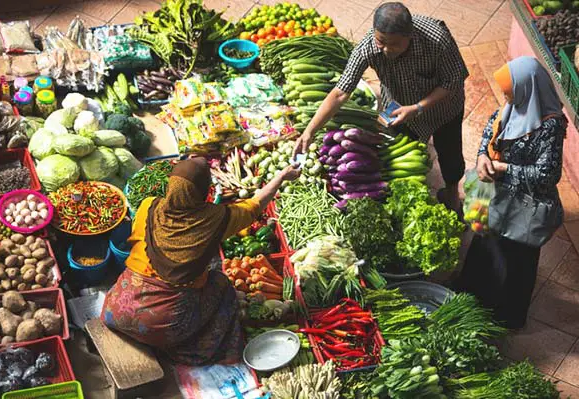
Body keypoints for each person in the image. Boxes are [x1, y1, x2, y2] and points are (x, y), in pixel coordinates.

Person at [101, 157, 300, 365]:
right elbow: (254, 206)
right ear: (204, 192)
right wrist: (281, 177)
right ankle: (199, 351)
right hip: (163, 327)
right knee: (220, 283)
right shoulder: (215, 219)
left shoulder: (147, 206)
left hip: (115, 311)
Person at [293, 2, 469, 211]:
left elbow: (453, 80)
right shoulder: (368, 47)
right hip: (397, 105)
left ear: (409, 35)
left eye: (393, 44)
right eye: (380, 41)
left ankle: (452, 195)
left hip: (443, 107)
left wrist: (417, 108)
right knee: (399, 148)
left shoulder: (436, 37)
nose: (385, 49)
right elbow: (340, 92)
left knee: (451, 158)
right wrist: (309, 132)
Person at [456, 56, 566, 329]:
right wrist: (483, 156)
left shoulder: (550, 126)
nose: (504, 96)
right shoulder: (511, 107)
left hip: (524, 205)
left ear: (527, 89)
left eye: (509, 90)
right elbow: (489, 131)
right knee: (485, 242)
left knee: (517, 259)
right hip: (496, 196)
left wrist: (505, 168)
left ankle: (508, 316)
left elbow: (547, 176)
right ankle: (471, 296)